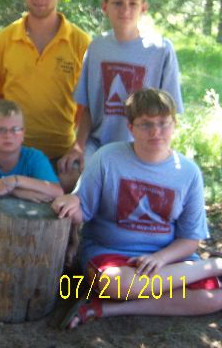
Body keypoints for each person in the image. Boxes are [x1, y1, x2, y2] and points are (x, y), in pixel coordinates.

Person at [52, 89, 222, 329]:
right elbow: (82, 211)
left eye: (163, 123)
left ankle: (105, 308)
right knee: (116, 283)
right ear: (130, 127)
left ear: (174, 124)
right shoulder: (107, 158)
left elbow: (190, 240)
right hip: (111, 254)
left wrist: (160, 258)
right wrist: (71, 203)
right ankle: (213, 266)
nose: (155, 131)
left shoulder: (188, 173)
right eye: (145, 124)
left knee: (215, 296)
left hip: (166, 260)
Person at [57, 0, 183, 191]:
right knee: (68, 177)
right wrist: (78, 146)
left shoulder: (161, 49)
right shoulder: (97, 48)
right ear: (105, 7)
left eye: (133, 3)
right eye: (117, 3)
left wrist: (157, 153)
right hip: (98, 142)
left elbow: (169, 114)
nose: (125, 10)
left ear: (144, 8)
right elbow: (87, 107)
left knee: (122, 191)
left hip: (141, 145)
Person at [0, 0, 90, 174]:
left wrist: (78, 146)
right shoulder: (4, 40)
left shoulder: (80, 42)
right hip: (14, 152)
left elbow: (88, 102)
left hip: (62, 153)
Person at [0, 100, 62, 236]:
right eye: (1, 130)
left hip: (32, 229)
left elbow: (57, 192)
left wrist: (15, 181)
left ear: (23, 133)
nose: (8, 135)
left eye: (15, 129)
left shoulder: (34, 158)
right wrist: (11, 190)